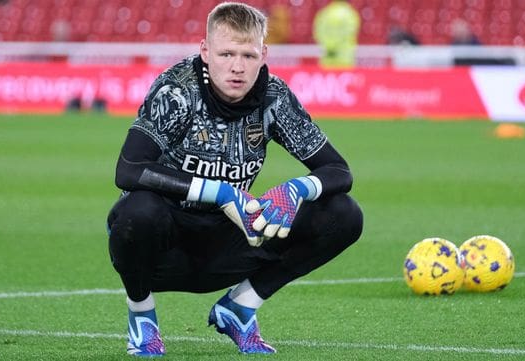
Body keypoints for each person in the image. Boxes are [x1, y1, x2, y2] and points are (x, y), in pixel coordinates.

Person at [106, 2, 363, 357]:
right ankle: (142, 316)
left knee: (344, 213)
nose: (238, 66)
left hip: (233, 239)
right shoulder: (177, 90)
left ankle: (241, 307)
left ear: (264, 55)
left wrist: (295, 188)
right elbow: (129, 168)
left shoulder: (274, 96)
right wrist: (223, 192)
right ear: (205, 52)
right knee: (135, 212)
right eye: (226, 53)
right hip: (167, 246)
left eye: (248, 54)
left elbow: (338, 171)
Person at [312, 0, 360, 68]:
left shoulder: (325, 13)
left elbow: (318, 32)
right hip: (345, 59)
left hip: (327, 58)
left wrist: (330, 47)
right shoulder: (350, 14)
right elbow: (349, 33)